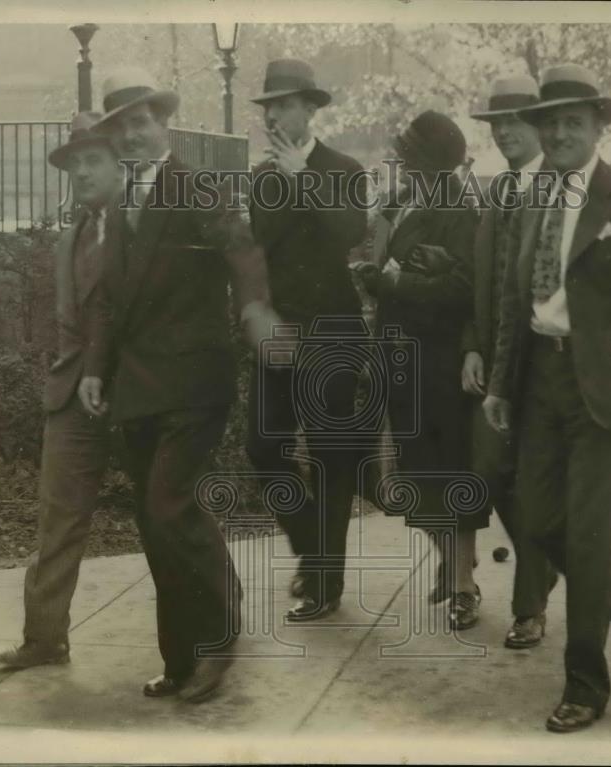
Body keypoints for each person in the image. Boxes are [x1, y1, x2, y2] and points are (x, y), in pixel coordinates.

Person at [483, 64, 611, 733]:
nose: (560, 133)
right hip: (541, 384)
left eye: (574, 121)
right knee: (537, 521)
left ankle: (585, 684)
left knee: (588, 538)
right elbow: (517, 302)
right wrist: (503, 387)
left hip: (606, 393)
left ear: (597, 127)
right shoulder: (532, 198)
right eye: (550, 122)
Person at [78, 68, 279, 703]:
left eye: (139, 123)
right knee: (154, 519)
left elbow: (242, 253)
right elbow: (109, 303)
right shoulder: (114, 207)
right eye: (119, 128)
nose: (130, 136)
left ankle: (218, 640)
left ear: (163, 126)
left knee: (169, 505)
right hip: (137, 387)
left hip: (195, 380)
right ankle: (180, 656)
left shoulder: (197, 187)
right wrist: (93, 368)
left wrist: (254, 312)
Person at [0, 112, 123, 669]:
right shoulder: (70, 238)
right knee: (57, 518)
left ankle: (215, 619)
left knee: (172, 512)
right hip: (71, 396)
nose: (82, 172)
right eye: (74, 165)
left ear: (121, 166)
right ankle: (44, 639)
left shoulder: (143, 230)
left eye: (94, 160)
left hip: (135, 392)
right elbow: (70, 324)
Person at [246, 58, 369, 622]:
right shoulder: (260, 175)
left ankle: (326, 583)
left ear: (310, 110)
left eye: (284, 105)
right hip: (279, 333)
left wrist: (302, 179)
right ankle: (314, 550)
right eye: (268, 107)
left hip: (333, 334)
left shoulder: (343, 168)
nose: (273, 115)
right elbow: (259, 251)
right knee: (264, 449)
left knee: (330, 458)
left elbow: (350, 233)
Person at [352, 110, 481, 629]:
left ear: (428, 163)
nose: (400, 162)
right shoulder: (402, 203)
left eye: (408, 156)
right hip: (399, 355)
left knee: (448, 468)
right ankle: (453, 559)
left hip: (439, 360)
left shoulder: (459, 212)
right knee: (407, 470)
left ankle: (463, 582)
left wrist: (391, 285)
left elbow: (464, 288)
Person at [463, 76, 558, 648]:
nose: (504, 133)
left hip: (547, 364)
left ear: (539, 125)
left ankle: (530, 608)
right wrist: (473, 345)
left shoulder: (563, 188)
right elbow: (482, 282)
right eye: (496, 125)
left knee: (538, 487)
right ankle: (544, 574)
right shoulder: (496, 191)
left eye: (515, 122)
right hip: (498, 365)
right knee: (489, 472)